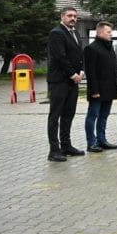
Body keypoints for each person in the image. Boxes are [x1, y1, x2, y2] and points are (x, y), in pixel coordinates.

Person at [46, 8, 86, 161]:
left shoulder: (75, 33)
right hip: (59, 81)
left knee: (68, 114)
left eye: (75, 16)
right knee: (55, 116)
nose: (73, 18)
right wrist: (73, 74)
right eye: (69, 16)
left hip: (73, 81)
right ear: (62, 17)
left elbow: (79, 55)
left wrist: (81, 71)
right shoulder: (56, 33)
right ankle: (54, 150)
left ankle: (66, 145)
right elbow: (60, 57)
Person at [83, 21, 117, 152]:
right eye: (108, 32)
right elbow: (91, 72)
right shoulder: (91, 48)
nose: (111, 34)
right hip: (97, 90)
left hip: (109, 89)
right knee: (93, 116)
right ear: (100, 32)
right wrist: (94, 90)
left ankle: (101, 140)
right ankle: (91, 143)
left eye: (111, 32)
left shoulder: (109, 47)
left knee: (104, 116)